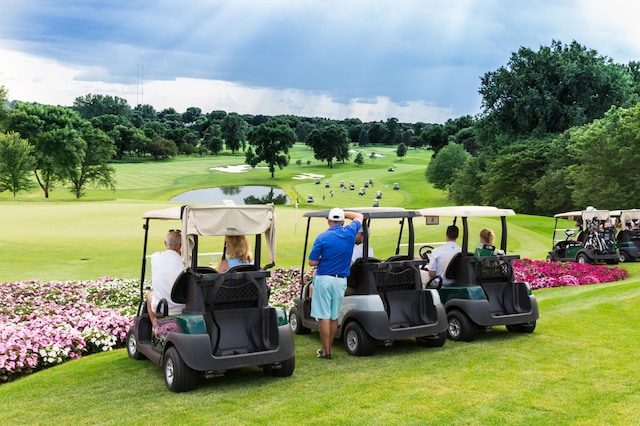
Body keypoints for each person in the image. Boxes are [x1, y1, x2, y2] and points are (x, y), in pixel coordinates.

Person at [309, 208, 363, 360]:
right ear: (343, 221)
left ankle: (326, 351)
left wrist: (322, 260)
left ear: (328, 221)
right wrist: (344, 212)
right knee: (333, 316)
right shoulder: (350, 231)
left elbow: (312, 261)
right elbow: (359, 216)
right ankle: (328, 349)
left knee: (324, 316)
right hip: (340, 280)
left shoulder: (322, 237)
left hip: (324, 278)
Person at [147, 230, 185, 322]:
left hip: (162, 306)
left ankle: (155, 325)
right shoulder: (185, 263)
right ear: (181, 245)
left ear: (165, 243)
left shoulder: (155, 257)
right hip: (180, 306)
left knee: (149, 295)